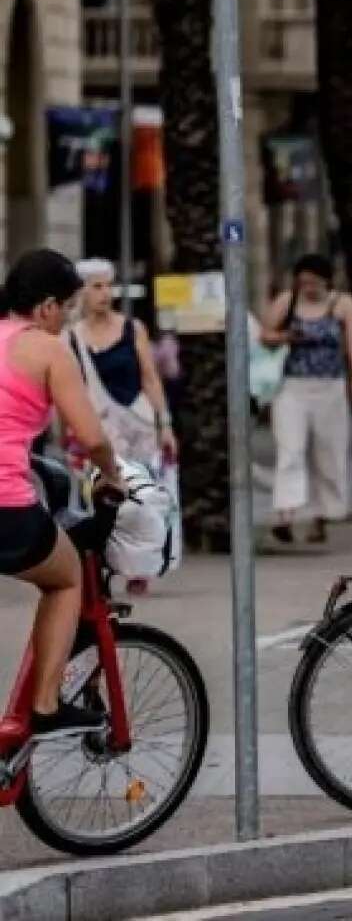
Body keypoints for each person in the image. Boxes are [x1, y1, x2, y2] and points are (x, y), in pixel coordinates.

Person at [0, 249, 124, 737]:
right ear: (48, 306)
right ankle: (47, 704)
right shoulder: (47, 349)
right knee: (67, 576)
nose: (66, 319)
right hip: (5, 506)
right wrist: (112, 476)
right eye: (67, 308)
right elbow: (91, 438)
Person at [260, 254, 352, 545]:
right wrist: (285, 337)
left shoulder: (342, 304)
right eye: (303, 281)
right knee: (290, 450)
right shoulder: (287, 301)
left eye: (314, 282)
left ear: (326, 280)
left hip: (330, 385)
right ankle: (286, 513)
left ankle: (323, 515)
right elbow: (264, 334)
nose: (308, 287)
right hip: (292, 386)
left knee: (328, 451)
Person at [66, 259, 176, 474]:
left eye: (109, 285)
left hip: (139, 429)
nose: (106, 293)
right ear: (82, 292)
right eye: (97, 287)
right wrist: (69, 438)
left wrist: (165, 425)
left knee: (144, 496)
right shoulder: (71, 337)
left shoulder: (133, 329)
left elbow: (150, 378)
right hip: (98, 434)